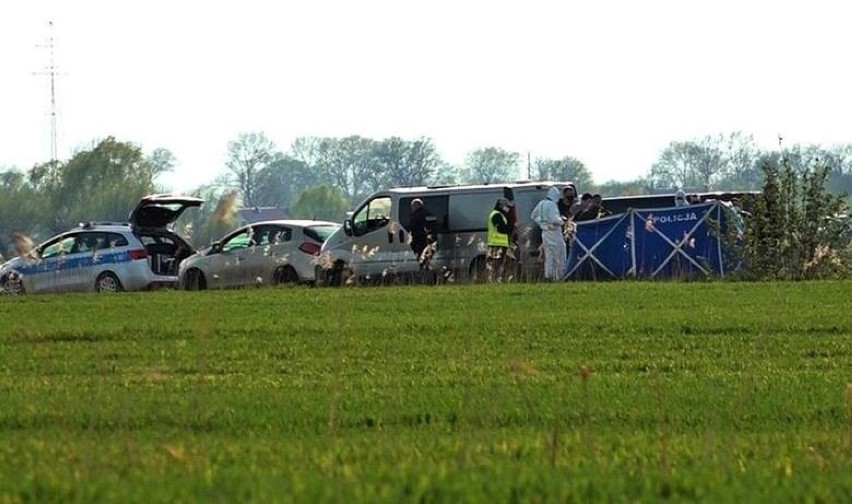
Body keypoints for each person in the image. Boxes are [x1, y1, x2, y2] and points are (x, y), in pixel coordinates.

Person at [531, 186, 567, 281]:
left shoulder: (541, 203)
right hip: (555, 233)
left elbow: (533, 215)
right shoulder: (552, 205)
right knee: (559, 255)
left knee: (549, 256)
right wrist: (562, 220)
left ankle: (548, 276)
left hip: (545, 233)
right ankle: (559, 277)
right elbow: (554, 219)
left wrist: (542, 224)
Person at [486, 198, 513, 282]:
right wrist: (510, 227)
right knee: (496, 264)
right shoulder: (497, 215)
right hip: (497, 244)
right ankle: (495, 280)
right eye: (506, 206)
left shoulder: (498, 214)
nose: (508, 208)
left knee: (497, 264)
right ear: (501, 206)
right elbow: (502, 229)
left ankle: (496, 280)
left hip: (497, 243)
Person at [408, 198, 437, 270]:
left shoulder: (415, 217)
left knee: (422, 262)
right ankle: (430, 277)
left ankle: (424, 277)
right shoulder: (429, 214)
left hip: (420, 243)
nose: (412, 208)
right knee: (428, 261)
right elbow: (434, 228)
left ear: (416, 206)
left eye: (413, 206)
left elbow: (413, 231)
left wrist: (413, 244)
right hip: (430, 242)